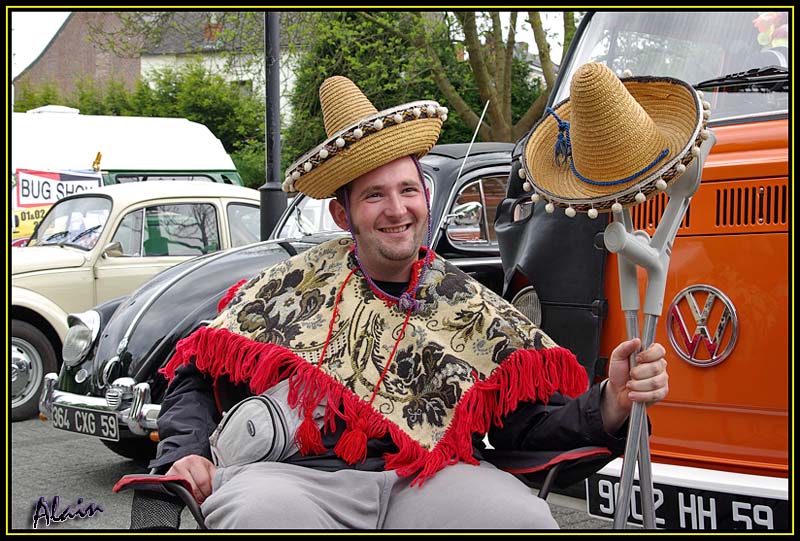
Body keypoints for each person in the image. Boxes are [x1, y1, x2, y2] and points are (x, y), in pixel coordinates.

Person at [149, 69, 690, 530]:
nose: (396, 209)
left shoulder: (468, 306)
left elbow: (524, 428)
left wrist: (611, 403)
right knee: (261, 515)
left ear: (425, 198)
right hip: (294, 479)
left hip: (425, 479)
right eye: (375, 195)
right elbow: (192, 378)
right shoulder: (285, 288)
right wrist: (186, 452)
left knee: (523, 520)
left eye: (408, 190)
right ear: (343, 215)